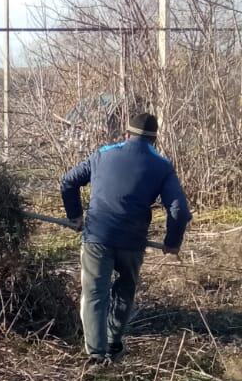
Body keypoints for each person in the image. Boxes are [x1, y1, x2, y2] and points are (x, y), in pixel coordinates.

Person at [60, 111, 192, 363]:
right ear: (154, 139)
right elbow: (180, 210)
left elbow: (68, 182)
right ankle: (113, 343)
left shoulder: (103, 154)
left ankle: (96, 355)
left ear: (127, 133)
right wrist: (172, 242)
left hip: (97, 234)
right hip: (132, 241)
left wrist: (75, 215)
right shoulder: (162, 165)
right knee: (125, 290)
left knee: (95, 293)